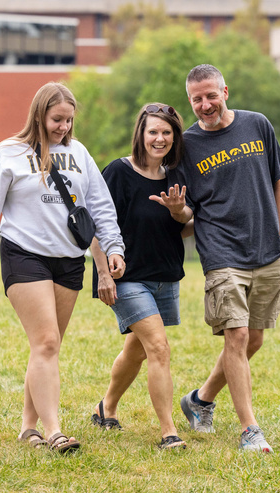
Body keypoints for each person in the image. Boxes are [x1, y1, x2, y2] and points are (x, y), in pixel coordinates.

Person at [0, 82, 126, 454]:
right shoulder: (9, 153)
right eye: (56, 119)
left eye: (68, 120)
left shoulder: (78, 153)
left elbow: (99, 205)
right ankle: (54, 431)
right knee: (46, 341)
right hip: (24, 255)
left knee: (46, 347)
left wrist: (113, 248)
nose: (63, 127)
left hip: (69, 260)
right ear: (39, 114)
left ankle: (28, 427)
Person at [151, 64, 280, 453]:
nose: (204, 104)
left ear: (225, 91)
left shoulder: (257, 125)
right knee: (238, 335)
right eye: (196, 98)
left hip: (267, 249)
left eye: (211, 95)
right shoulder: (186, 147)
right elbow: (186, 216)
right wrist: (178, 211)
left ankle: (200, 400)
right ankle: (250, 429)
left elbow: (278, 181)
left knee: (254, 339)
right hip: (222, 252)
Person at [89, 103, 192, 450]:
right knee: (158, 348)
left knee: (137, 350)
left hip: (165, 275)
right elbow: (93, 223)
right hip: (128, 277)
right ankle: (168, 432)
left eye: (166, 132)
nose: (159, 138)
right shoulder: (119, 172)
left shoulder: (176, 175)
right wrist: (103, 272)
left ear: (174, 137)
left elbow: (187, 226)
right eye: (153, 132)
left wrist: (180, 213)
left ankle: (106, 408)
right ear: (141, 134)